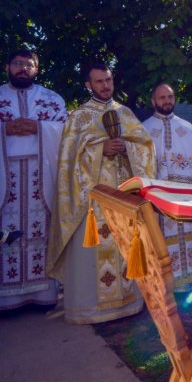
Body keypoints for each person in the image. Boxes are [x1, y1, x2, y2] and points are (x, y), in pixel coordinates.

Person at [49, 62, 155, 324]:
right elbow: (68, 163)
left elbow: (146, 148)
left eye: (108, 80)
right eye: (99, 81)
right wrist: (100, 149)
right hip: (92, 202)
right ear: (88, 85)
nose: (106, 85)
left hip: (123, 198)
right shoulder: (78, 118)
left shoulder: (126, 113)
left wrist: (126, 148)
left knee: (125, 247)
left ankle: (129, 303)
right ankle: (91, 310)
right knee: (93, 255)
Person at [0, 50, 66, 310]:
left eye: (29, 65)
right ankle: (0, 298)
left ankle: (43, 294)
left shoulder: (52, 99)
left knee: (41, 230)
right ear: (8, 66)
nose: (23, 69)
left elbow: (66, 132)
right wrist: (2, 129)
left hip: (39, 176)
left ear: (37, 69)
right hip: (2, 177)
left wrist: (39, 128)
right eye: (18, 64)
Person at [142, 83, 192, 289]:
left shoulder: (187, 128)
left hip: (187, 197)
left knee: (190, 236)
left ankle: (190, 283)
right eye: (162, 97)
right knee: (163, 240)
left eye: (170, 97)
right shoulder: (144, 129)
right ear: (153, 101)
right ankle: (166, 285)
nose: (167, 101)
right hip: (160, 200)